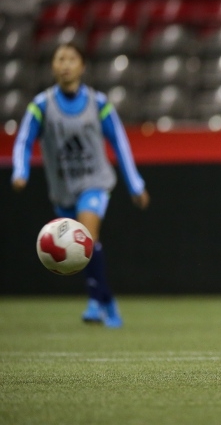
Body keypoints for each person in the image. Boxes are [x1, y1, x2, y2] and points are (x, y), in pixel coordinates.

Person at [11, 42, 150, 328]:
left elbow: (120, 143)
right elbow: (24, 139)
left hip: (95, 181)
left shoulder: (98, 103)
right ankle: (107, 299)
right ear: (52, 66)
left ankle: (94, 303)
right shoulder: (41, 105)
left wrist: (135, 185)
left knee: (87, 233)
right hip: (62, 188)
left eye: (71, 59)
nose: (65, 64)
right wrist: (20, 170)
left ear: (82, 66)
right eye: (59, 58)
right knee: (87, 245)